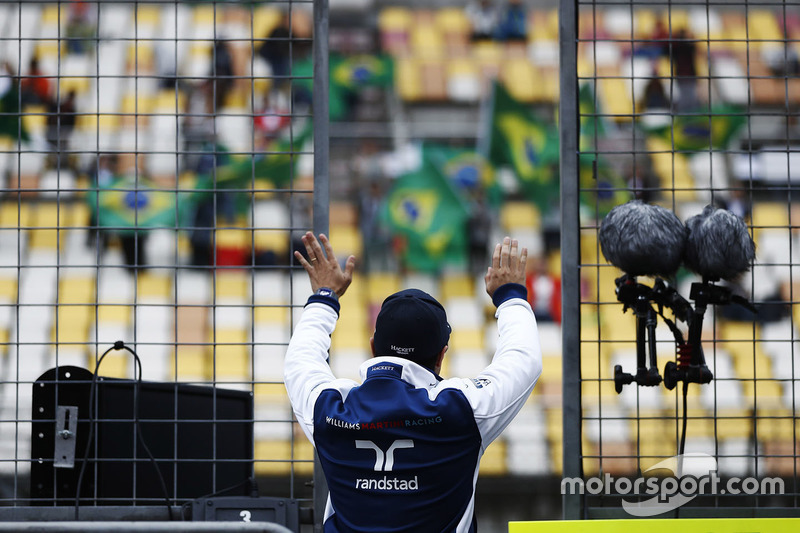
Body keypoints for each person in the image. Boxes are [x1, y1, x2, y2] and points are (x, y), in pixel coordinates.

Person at [285, 232, 542, 532]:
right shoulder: (462, 407)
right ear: (441, 356)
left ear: (372, 347)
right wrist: (509, 295)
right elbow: (524, 359)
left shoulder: (330, 408)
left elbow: (299, 360)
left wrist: (324, 298)